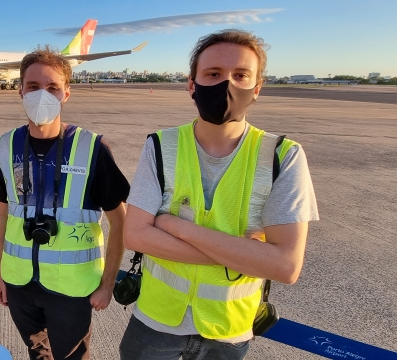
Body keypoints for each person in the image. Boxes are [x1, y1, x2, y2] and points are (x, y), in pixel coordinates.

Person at [119, 29, 319, 360]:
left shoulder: (283, 156)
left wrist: (176, 226)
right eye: (213, 74)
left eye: (240, 75)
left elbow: (285, 266)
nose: (227, 85)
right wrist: (245, 255)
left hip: (228, 328)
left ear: (256, 88)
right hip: (155, 320)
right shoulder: (162, 145)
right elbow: (136, 235)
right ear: (192, 84)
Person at [0, 47, 129, 360]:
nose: (42, 95)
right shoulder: (3, 146)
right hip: (19, 281)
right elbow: (1, 213)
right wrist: (0, 274)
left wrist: (107, 284)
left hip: (72, 288)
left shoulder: (92, 148)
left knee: (72, 356)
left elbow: (120, 220)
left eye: (52, 87)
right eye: (33, 87)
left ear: (66, 93)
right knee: (37, 350)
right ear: (20, 90)